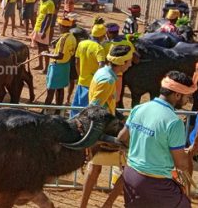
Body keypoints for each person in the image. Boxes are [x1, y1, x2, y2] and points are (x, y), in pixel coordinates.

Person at [117, 71, 195, 208]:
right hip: (154, 183)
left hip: (130, 176)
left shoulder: (138, 108)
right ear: (177, 95)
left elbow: (122, 137)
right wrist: (190, 153)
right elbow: (181, 164)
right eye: (187, 97)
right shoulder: (174, 122)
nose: (188, 101)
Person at [79, 45, 134, 208]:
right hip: (104, 129)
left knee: (94, 168)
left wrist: (119, 117)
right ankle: (108, 204)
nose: (130, 64)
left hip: (104, 126)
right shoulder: (108, 80)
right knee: (131, 168)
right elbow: (94, 106)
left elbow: (106, 105)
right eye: (129, 61)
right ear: (122, 62)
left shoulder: (104, 72)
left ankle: (84, 205)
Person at [70, 21, 107, 116]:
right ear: (102, 36)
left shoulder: (82, 44)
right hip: (92, 83)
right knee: (87, 110)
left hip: (82, 80)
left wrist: (79, 76)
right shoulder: (99, 48)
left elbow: (76, 62)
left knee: (76, 106)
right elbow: (101, 65)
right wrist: (97, 79)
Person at [41, 17, 76, 106]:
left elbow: (59, 56)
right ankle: (58, 110)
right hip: (65, 65)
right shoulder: (72, 36)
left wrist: (46, 54)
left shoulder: (64, 39)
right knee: (60, 89)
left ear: (62, 26)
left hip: (58, 67)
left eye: (59, 25)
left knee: (51, 90)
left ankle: (44, 111)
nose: (58, 27)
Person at [31, 0, 55, 72]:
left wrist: (44, 31)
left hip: (43, 27)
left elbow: (49, 17)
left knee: (45, 47)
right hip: (38, 26)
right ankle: (40, 65)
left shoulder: (50, 3)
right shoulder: (42, 2)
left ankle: (46, 67)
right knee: (39, 47)